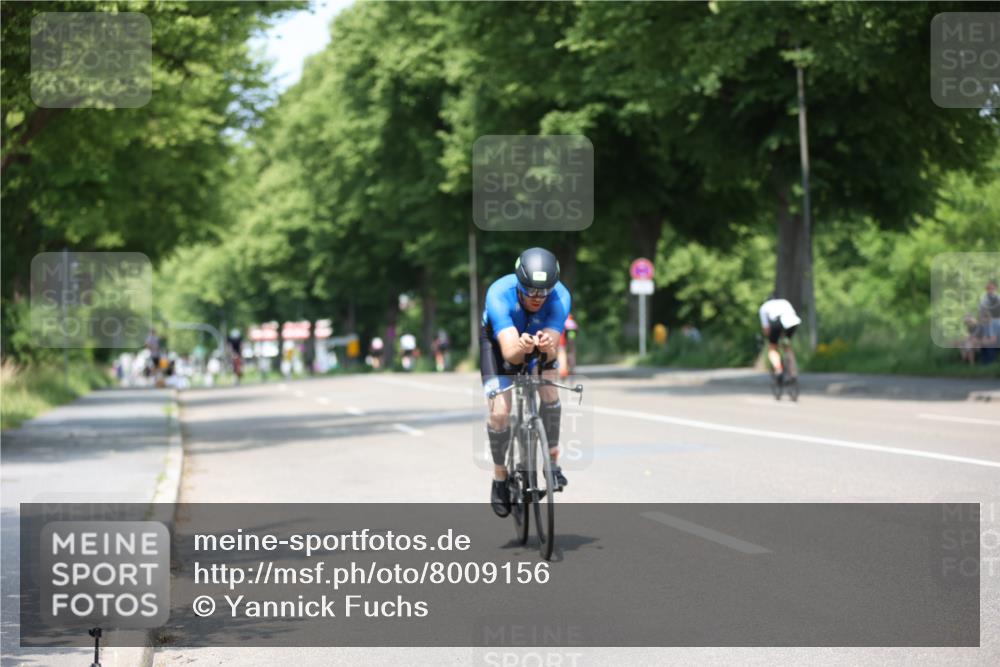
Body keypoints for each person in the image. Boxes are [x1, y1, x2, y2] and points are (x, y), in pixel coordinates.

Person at [481, 247, 571, 518]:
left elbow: (553, 352)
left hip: (536, 343)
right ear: (519, 283)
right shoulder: (499, 293)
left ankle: (552, 463)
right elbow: (510, 354)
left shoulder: (560, 297)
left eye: (543, 291)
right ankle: (500, 477)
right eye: (531, 290)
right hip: (500, 346)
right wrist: (521, 347)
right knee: (500, 411)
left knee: (549, 388)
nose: (537, 297)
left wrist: (547, 347)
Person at [758, 294, 801, 383]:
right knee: (787, 347)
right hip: (792, 322)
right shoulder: (784, 301)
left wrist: (770, 338)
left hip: (777, 322)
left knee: (772, 348)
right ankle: (793, 372)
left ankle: (778, 370)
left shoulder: (764, 307)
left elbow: (766, 329)